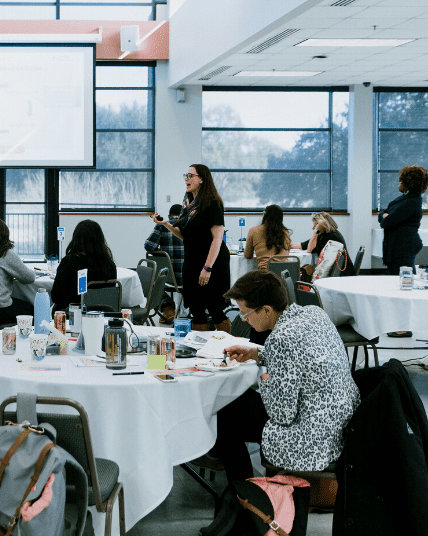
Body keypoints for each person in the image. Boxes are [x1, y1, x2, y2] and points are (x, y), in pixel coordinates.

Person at [205, 270, 360, 482]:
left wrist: (265, 380)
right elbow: (303, 355)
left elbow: (281, 414)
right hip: (340, 425)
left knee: (225, 412)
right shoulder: (314, 313)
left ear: (266, 310)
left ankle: (244, 491)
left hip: (309, 441)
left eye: (245, 314)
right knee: (236, 408)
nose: (245, 320)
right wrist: (257, 354)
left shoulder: (279, 339)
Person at [153, 164, 231, 332]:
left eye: (190, 175)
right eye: (185, 175)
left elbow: (217, 238)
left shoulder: (213, 203)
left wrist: (207, 268)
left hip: (212, 262)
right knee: (196, 308)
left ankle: (226, 347)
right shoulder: (188, 204)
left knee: (214, 308)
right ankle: (200, 348)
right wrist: (166, 224)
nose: (186, 179)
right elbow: (184, 235)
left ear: (202, 179)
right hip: (192, 261)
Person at [51, 219, 117, 313]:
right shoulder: (109, 265)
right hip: (102, 317)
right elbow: (109, 296)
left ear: (76, 239)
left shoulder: (68, 263)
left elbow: (56, 297)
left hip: (72, 316)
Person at [378, 165, 428, 275]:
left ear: (409, 183)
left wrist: (386, 216)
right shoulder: (404, 199)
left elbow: (386, 222)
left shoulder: (411, 201)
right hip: (397, 247)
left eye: (401, 180)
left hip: (403, 248)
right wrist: (385, 215)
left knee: (404, 281)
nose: (399, 183)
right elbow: (382, 214)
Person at [144, 204, 184, 323]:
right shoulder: (188, 225)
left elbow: (148, 246)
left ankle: (168, 309)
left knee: (154, 279)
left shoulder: (162, 226)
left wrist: (161, 254)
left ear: (168, 216)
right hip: (189, 278)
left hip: (168, 278)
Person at [243, 204, 291, 270]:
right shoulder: (285, 232)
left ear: (265, 216)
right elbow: (287, 253)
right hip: (285, 273)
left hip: (265, 274)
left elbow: (248, 255)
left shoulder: (254, 230)